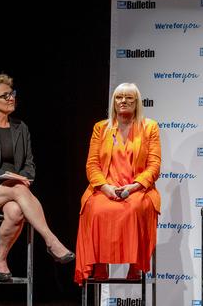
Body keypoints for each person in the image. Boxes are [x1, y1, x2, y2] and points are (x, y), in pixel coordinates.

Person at [0, 74, 75, 283]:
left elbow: (29, 164)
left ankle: (0, 258)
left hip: (13, 189)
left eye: (12, 93)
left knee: (16, 210)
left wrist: (23, 177)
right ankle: (51, 240)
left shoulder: (21, 128)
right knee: (19, 190)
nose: (11, 98)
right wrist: (8, 175)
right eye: (5, 95)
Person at [74, 82, 161, 285]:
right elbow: (92, 165)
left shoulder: (149, 127)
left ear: (136, 102)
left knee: (135, 208)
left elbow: (154, 165)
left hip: (138, 189)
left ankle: (135, 266)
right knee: (96, 209)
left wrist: (133, 187)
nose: (123, 101)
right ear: (113, 102)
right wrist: (105, 187)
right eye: (119, 97)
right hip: (105, 188)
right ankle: (100, 264)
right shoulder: (100, 128)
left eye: (129, 97)